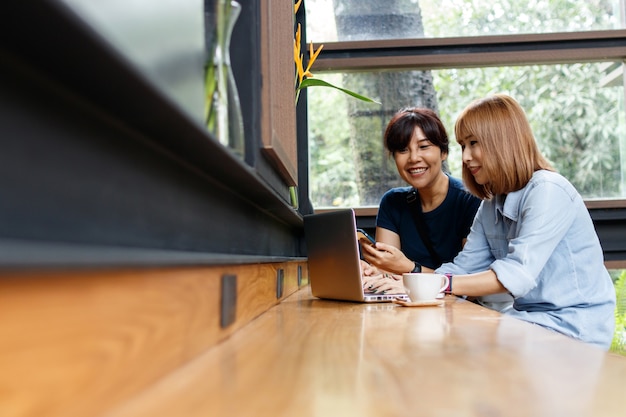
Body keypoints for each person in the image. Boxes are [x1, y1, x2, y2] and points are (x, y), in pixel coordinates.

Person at [435, 94, 616, 349]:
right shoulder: (491, 204)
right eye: (462, 145)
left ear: (503, 142)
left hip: (574, 330)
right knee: (448, 337)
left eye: (473, 143)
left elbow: (517, 275)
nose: (465, 157)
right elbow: (465, 267)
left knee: (460, 345)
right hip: (530, 321)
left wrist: (441, 284)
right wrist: (406, 285)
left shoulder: (549, 190)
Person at [359, 107, 481, 296]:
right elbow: (388, 271)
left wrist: (409, 267)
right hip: (407, 306)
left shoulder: (469, 200)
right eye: (403, 150)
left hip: (458, 310)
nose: (414, 158)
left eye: (424, 147)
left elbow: (470, 284)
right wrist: (372, 271)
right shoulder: (393, 203)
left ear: (443, 152)